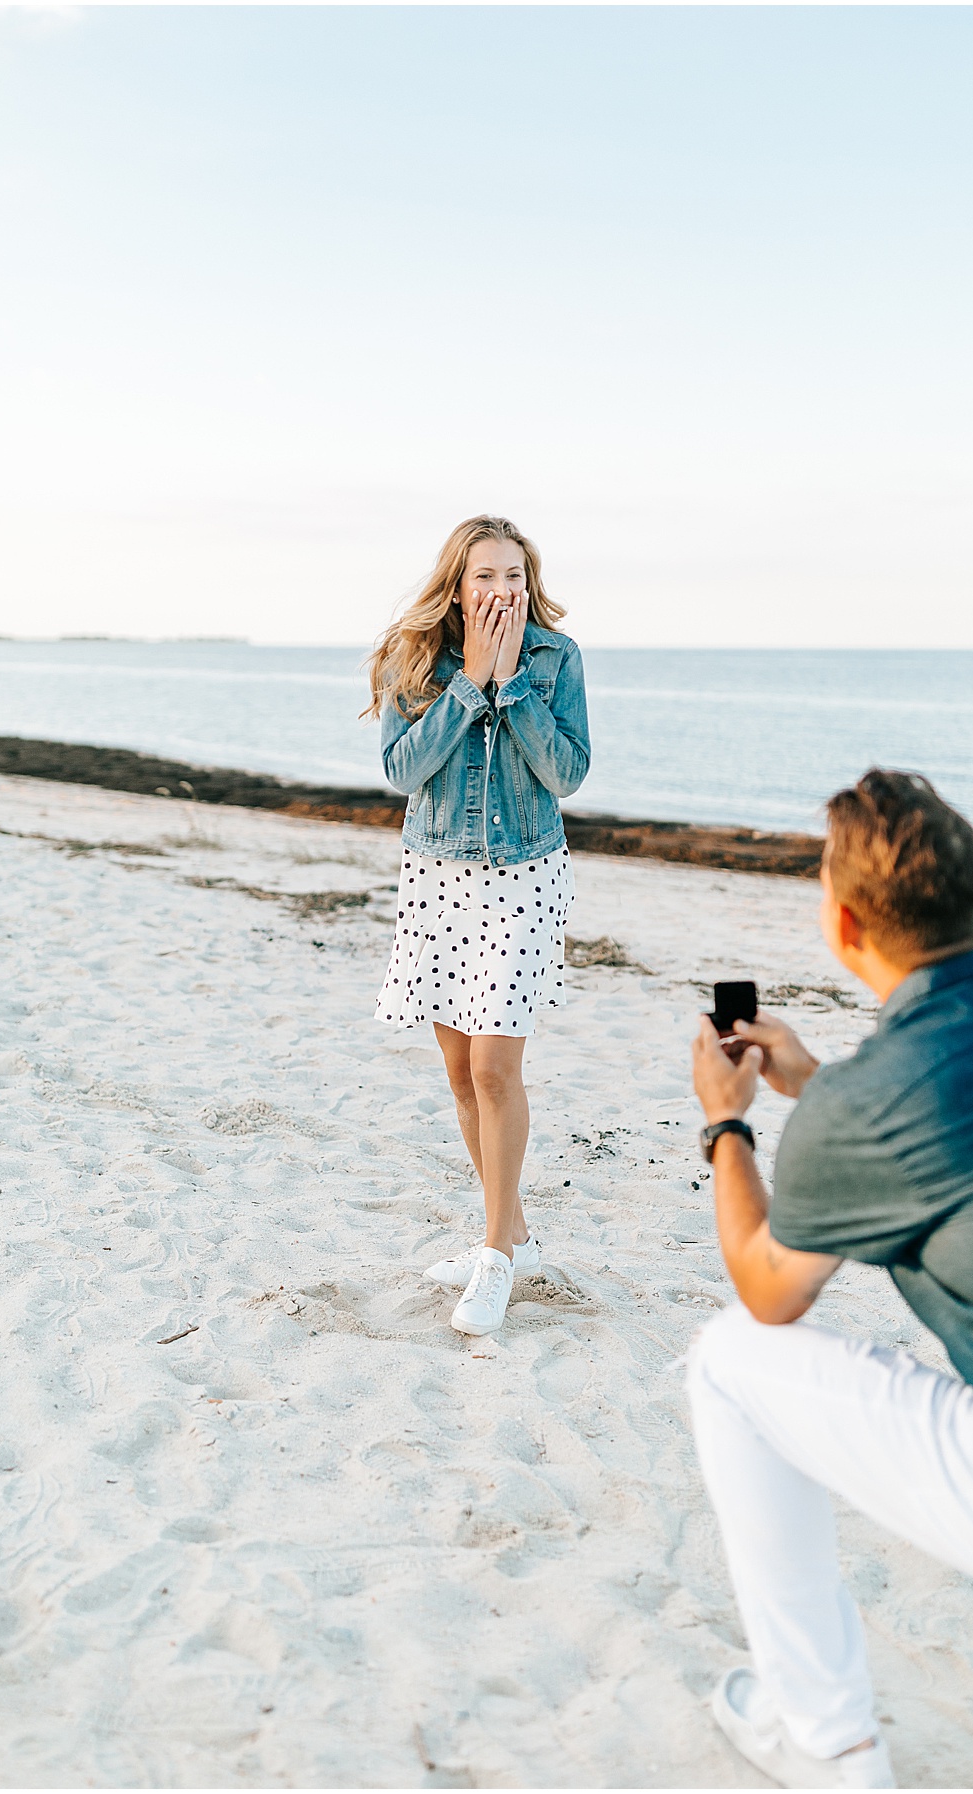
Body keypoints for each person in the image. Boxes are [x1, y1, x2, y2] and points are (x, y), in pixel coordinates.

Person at [687, 768, 973, 1790]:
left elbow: (769, 1289)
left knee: (727, 1365)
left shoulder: (876, 1102)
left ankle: (827, 1742)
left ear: (842, 925)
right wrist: (823, 1087)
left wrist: (728, 1121)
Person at [365, 515, 590, 1337]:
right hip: (436, 875)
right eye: (487, 576)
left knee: (496, 1068)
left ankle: (494, 1257)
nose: (504, 591)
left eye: (516, 576)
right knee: (461, 1075)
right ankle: (514, 1234)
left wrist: (512, 687)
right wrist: (470, 686)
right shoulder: (413, 655)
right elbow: (401, 770)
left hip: (526, 874)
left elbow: (565, 773)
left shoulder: (555, 659)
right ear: (457, 583)